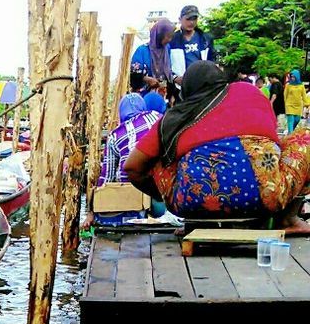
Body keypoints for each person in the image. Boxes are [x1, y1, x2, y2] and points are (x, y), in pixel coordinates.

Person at [123, 61, 310, 229]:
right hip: (265, 195)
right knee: (304, 138)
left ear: (187, 90)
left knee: (158, 158)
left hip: (190, 202)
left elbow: (132, 167)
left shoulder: (173, 118)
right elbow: (274, 142)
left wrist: (163, 195)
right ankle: (288, 219)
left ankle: (194, 219)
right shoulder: (249, 91)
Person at [101, 93, 162, 184]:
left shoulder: (115, 135)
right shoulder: (156, 116)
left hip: (129, 187)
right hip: (160, 181)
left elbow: (107, 177)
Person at [169, 5, 218, 81]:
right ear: (180, 19)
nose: (191, 22)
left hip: (202, 82)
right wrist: (174, 78)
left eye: (194, 19)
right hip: (180, 85)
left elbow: (213, 60)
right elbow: (165, 63)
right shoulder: (172, 40)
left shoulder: (206, 39)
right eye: (188, 19)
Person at [131, 18, 175, 90]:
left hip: (163, 95)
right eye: (168, 36)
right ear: (159, 35)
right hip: (144, 95)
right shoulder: (142, 51)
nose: (169, 40)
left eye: (171, 37)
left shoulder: (167, 49)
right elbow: (133, 75)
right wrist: (146, 79)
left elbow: (170, 72)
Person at [283, 68, 309, 133]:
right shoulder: (288, 85)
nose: (292, 78)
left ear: (297, 77)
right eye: (291, 77)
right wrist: (286, 103)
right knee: (290, 120)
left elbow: (304, 96)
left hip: (298, 106)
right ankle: (290, 135)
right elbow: (285, 95)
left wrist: (307, 104)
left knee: (297, 120)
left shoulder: (301, 86)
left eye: (294, 77)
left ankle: (290, 132)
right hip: (289, 105)